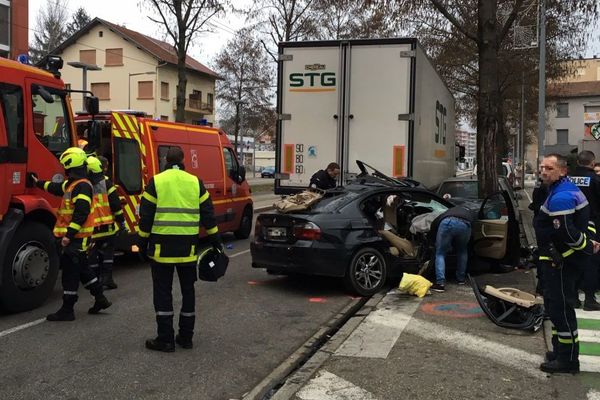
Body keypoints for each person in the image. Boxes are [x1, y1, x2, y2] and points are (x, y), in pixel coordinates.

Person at [138, 147, 222, 352]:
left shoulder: (156, 182)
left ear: (165, 160)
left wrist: (141, 243)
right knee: (188, 292)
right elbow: (208, 214)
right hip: (188, 249)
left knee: (163, 293)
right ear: (184, 160)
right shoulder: (195, 182)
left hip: (161, 249)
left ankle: (165, 339)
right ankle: (186, 337)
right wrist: (215, 241)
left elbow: (146, 216)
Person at [534, 153, 600, 374]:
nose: (543, 171)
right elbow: (587, 221)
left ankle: (568, 359)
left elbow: (566, 232)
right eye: (542, 167)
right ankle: (559, 351)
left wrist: (585, 247)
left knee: (561, 309)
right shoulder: (559, 189)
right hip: (558, 259)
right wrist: (588, 244)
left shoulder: (561, 195)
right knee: (555, 307)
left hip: (561, 262)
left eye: (549, 168)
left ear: (562, 171)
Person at [30, 147, 111, 321]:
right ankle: (100, 298)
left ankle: (68, 309)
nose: (63, 169)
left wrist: (69, 235)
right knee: (83, 269)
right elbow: (56, 187)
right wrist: (37, 182)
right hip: (77, 238)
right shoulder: (74, 184)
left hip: (76, 238)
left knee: (70, 273)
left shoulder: (82, 186)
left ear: (70, 164)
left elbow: (81, 213)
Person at [86, 155, 125, 290]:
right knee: (108, 253)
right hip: (107, 227)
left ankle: (95, 281)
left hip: (91, 228)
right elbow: (116, 206)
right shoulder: (107, 184)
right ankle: (107, 279)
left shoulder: (82, 185)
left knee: (92, 254)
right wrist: (121, 223)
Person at [569, 151, 600, 310]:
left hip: (570, 225)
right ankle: (589, 299)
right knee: (591, 262)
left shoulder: (567, 179)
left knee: (573, 260)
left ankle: (573, 297)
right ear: (592, 163)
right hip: (591, 226)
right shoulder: (595, 180)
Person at [428, 205, 476, 292]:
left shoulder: (448, 211)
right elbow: (474, 227)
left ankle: (440, 283)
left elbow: (435, 223)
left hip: (448, 222)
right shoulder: (471, 212)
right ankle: (461, 279)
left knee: (440, 253)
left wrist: (432, 239)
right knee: (462, 250)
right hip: (465, 225)